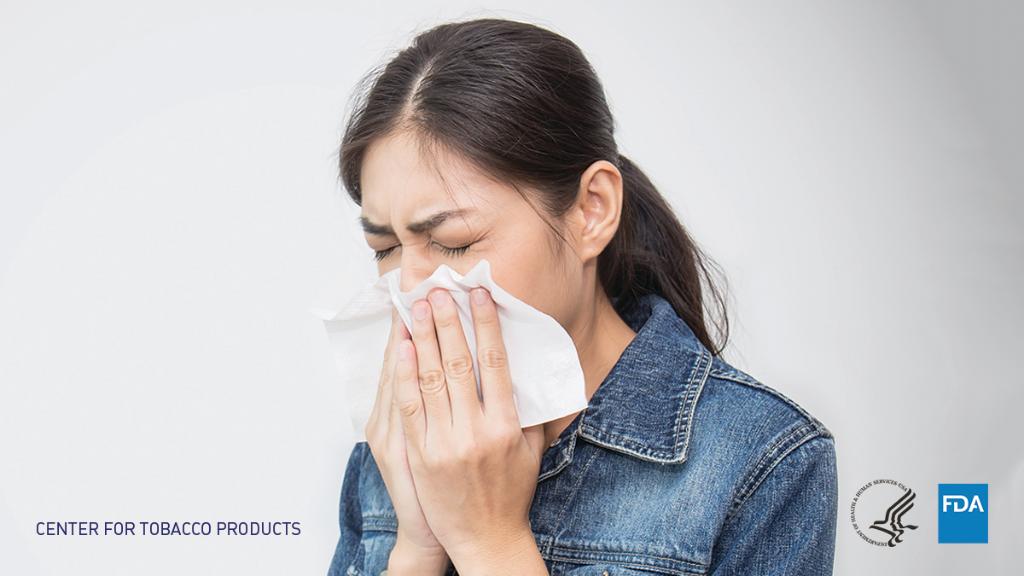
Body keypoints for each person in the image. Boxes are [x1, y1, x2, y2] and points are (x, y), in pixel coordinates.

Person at [326, 17, 837, 576]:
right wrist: (417, 550)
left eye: (453, 243)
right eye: (385, 248)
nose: (412, 289)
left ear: (591, 210)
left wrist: (488, 543)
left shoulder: (761, 460)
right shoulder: (397, 448)